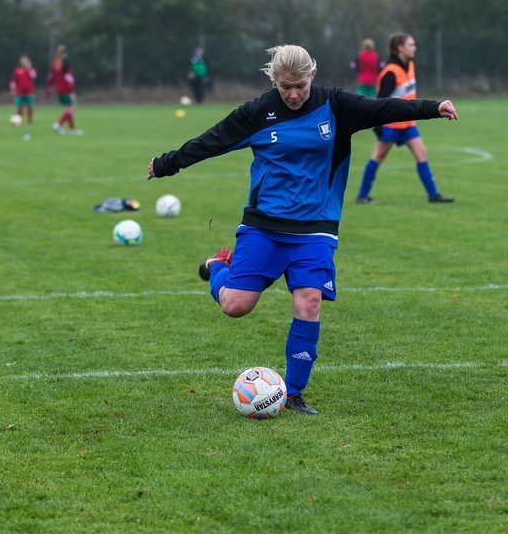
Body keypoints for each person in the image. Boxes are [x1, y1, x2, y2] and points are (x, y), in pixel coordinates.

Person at [147, 45, 459, 415]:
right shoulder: (257, 113)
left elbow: (383, 108)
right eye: (285, 87)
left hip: (316, 229)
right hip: (263, 227)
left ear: (312, 75)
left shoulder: (336, 106)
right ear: (274, 81)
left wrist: (432, 107)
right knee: (235, 305)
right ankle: (217, 266)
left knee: (308, 301)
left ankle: (292, 394)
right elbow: (211, 141)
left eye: (300, 85)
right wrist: (167, 164)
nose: (293, 94)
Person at [355, 33, 454, 204]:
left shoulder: (410, 65)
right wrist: (377, 126)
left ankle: (433, 195)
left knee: (421, 154)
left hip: (408, 124)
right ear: (399, 48)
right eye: (410, 45)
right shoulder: (390, 72)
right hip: (391, 125)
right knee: (378, 156)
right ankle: (362, 196)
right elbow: (380, 102)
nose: (414, 48)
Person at [45, 44, 81, 135]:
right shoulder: (66, 64)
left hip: (59, 89)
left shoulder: (54, 63)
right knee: (72, 107)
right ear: (65, 53)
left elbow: (51, 77)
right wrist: (71, 91)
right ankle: (58, 123)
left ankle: (72, 129)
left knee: (69, 108)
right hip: (66, 90)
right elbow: (69, 79)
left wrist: (48, 89)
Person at [9, 55, 37, 125]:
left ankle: (30, 120)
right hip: (20, 92)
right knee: (19, 107)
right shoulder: (17, 71)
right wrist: (13, 89)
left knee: (30, 106)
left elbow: (34, 76)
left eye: (25, 61)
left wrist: (30, 68)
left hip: (29, 92)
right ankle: (19, 120)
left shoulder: (30, 70)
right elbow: (13, 81)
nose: (24, 63)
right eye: (23, 61)